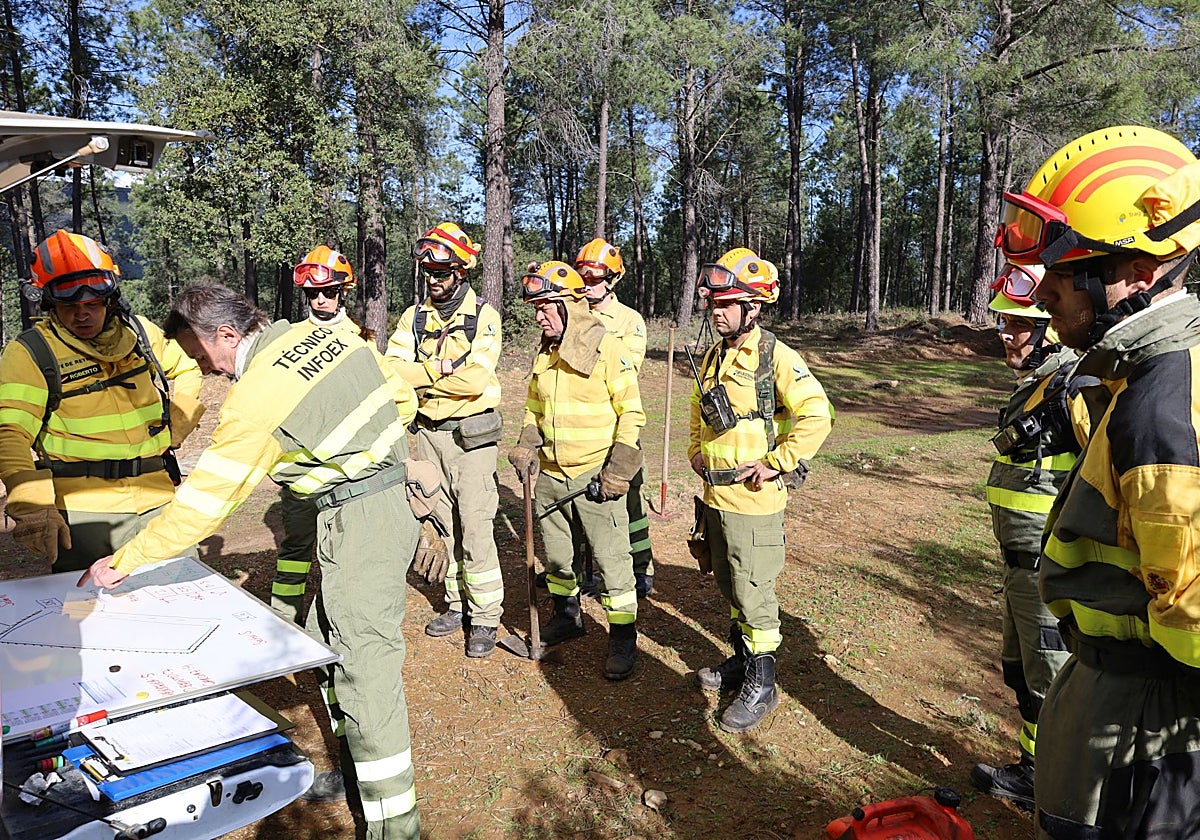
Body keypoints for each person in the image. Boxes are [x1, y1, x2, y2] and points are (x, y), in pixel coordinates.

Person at [77, 285, 421, 840]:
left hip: (360, 516)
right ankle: (360, 777)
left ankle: (394, 826)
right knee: (327, 635)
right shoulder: (326, 336)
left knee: (364, 669)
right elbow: (401, 399)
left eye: (200, 353)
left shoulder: (256, 397)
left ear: (227, 334)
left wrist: (127, 559)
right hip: (381, 498)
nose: (203, 368)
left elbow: (205, 504)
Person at [996, 124, 1200, 838]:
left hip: (1138, 726)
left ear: (1138, 272)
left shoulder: (1160, 408)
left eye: (1065, 269)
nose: (1044, 292)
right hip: (1117, 698)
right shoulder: (1139, 376)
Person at [687, 247, 832, 733]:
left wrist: (777, 463)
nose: (717, 311)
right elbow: (696, 408)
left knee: (754, 594)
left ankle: (763, 685)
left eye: (727, 303)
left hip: (754, 503)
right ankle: (743, 660)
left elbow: (817, 414)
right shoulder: (713, 354)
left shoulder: (776, 358)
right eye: (715, 303)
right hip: (715, 499)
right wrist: (694, 450)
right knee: (731, 586)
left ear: (754, 306)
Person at [0, 229, 204, 572]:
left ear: (109, 299)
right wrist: (31, 504)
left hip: (159, 498)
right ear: (50, 303)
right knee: (91, 603)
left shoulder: (139, 332)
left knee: (184, 589)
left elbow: (187, 368)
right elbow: (11, 433)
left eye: (93, 303)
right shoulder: (31, 353)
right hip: (85, 512)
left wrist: (178, 424)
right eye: (70, 306)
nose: (82, 314)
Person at [970, 263, 1084, 810]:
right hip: (1020, 566)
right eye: (1004, 323)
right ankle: (1035, 769)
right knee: (1022, 672)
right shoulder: (1041, 386)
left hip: (1047, 567)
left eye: (1018, 324)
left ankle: (1062, 790)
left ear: (1049, 329)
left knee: (1054, 678)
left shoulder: (1074, 388)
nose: (1005, 334)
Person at [508, 261, 646, 679]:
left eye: (545, 307)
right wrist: (526, 444)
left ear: (569, 305)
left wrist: (618, 471)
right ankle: (567, 617)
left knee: (612, 561)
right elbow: (534, 408)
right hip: (550, 476)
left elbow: (631, 414)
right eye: (536, 308)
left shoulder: (608, 349)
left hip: (595, 475)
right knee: (557, 557)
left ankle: (623, 637)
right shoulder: (545, 352)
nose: (539, 317)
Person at [386, 223, 505, 658]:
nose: (433, 280)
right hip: (429, 435)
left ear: (461, 271)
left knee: (474, 524)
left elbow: (475, 379)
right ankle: (458, 604)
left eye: (441, 272)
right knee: (444, 522)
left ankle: (486, 616)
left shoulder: (483, 316)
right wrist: (439, 370)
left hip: (470, 437)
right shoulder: (414, 316)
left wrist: (420, 376)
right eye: (428, 273)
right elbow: (391, 368)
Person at [271, 245, 373, 626]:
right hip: (302, 464)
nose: (320, 300)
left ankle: (337, 623)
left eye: (328, 292)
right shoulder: (290, 338)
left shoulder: (361, 339)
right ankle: (283, 619)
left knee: (343, 552)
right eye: (313, 293)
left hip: (347, 468)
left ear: (342, 292)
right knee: (295, 547)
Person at [574, 238, 655, 599]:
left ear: (612, 279)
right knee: (580, 497)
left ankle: (640, 569)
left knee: (629, 500)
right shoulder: (572, 314)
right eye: (583, 278)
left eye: (595, 279)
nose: (588, 285)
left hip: (619, 423)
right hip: (582, 426)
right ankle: (580, 569)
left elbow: (626, 369)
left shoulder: (629, 321)